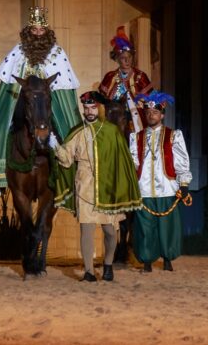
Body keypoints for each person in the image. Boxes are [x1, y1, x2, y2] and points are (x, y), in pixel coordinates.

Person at [0, 6, 81, 193]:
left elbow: (65, 93)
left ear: (47, 32)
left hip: (49, 104)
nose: (38, 34)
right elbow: (8, 88)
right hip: (23, 103)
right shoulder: (18, 52)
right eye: (34, 30)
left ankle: (74, 178)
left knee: (69, 132)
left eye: (42, 30)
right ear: (28, 31)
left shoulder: (57, 54)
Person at [50, 91, 142, 282]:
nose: (89, 111)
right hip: (85, 186)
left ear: (99, 108)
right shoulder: (77, 131)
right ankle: (89, 271)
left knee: (110, 232)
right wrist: (55, 146)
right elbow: (66, 160)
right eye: (86, 108)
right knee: (87, 230)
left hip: (107, 188)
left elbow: (122, 160)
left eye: (93, 108)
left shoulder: (111, 131)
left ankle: (108, 264)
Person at [130, 90, 192, 273]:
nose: (151, 115)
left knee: (167, 227)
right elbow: (133, 163)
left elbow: (182, 162)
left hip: (167, 188)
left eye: (155, 112)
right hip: (143, 190)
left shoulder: (174, 135)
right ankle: (147, 261)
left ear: (162, 115)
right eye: (148, 112)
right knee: (145, 227)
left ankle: (167, 259)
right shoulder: (136, 137)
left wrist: (184, 185)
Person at [97, 26, 152, 134]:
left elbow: (149, 100)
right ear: (117, 59)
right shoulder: (110, 76)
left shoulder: (140, 76)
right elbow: (102, 101)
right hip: (113, 118)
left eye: (129, 57)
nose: (127, 61)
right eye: (123, 58)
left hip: (136, 119)